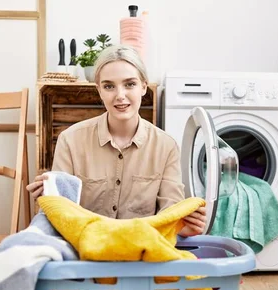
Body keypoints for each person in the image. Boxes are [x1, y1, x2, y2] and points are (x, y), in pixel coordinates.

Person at [27, 44, 206, 237]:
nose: (120, 95)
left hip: (141, 250)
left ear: (144, 87)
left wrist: (182, 226)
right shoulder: (70, 140)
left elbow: (169, 213)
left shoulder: (166, 146)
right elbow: (62, 213)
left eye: (129, 84)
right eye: (109, 86)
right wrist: (51, 196)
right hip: (84, 248)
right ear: (99, 91)